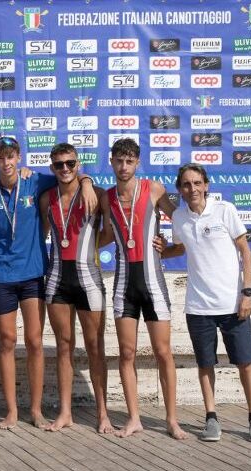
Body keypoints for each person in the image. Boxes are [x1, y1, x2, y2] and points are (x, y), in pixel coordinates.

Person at [0, 137, 97, 430]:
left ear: (19, 157)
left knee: (34, 342)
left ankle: (37, 410)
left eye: (11, 156)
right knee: (6, 341)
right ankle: (12, 411)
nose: (6, 163)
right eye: (0, 157)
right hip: (2, 274)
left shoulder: (36, 181)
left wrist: (89, 181)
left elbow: (69, 175)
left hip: (32, 274)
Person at [157, 164, 251, 442]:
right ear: (179, 189)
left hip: (233, 305)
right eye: (185, 184)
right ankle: (211, 418)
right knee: (205, 365)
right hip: (198, 307)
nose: (191, 189)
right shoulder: (179, 216)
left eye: (196, 183)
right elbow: (182, 247)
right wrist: (161, 251)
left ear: (206, 185)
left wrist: (248, 293)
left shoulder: (225, 210)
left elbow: (245, 251)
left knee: (246, 363)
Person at [99, 138, 187, 439]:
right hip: (124, 285)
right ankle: (134, 417)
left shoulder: (155, 190)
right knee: (126, 353)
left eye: (129, 161)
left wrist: (173, 249)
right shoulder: (106, 198)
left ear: (137, 163)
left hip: (154, 284)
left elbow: (183, 221)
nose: (124, 167)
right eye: (119, 161)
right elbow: (105, 236)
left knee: (163, 352)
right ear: (111, 161)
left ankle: (172, 420)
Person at [40, 143, 113, 434]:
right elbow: (42, 233)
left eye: (70, 163)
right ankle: (66, 412)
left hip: (88, 279)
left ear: (78, 163)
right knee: (63, 347)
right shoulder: (47, 198)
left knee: (96, 347)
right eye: (59, 165)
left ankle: (103, 413)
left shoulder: (96, 194)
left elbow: (109, 231)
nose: (65, 169)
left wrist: (87, 181)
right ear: (52, 168)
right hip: (57, 278)